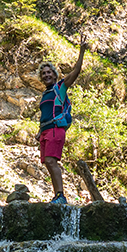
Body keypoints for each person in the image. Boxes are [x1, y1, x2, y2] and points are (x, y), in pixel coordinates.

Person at [37, 34, 87, 205]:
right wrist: (39, 132)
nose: (46, 75)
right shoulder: (45, 94)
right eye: (43, 73)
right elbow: (45, 114)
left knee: (51, 161)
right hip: (45, 131)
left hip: (56, 129)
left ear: (55, 74)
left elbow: (76, 71)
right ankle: (57, 195)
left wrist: (81, 52)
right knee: (48, 163)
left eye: (49, 72)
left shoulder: (61, 87)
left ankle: (61, 196)